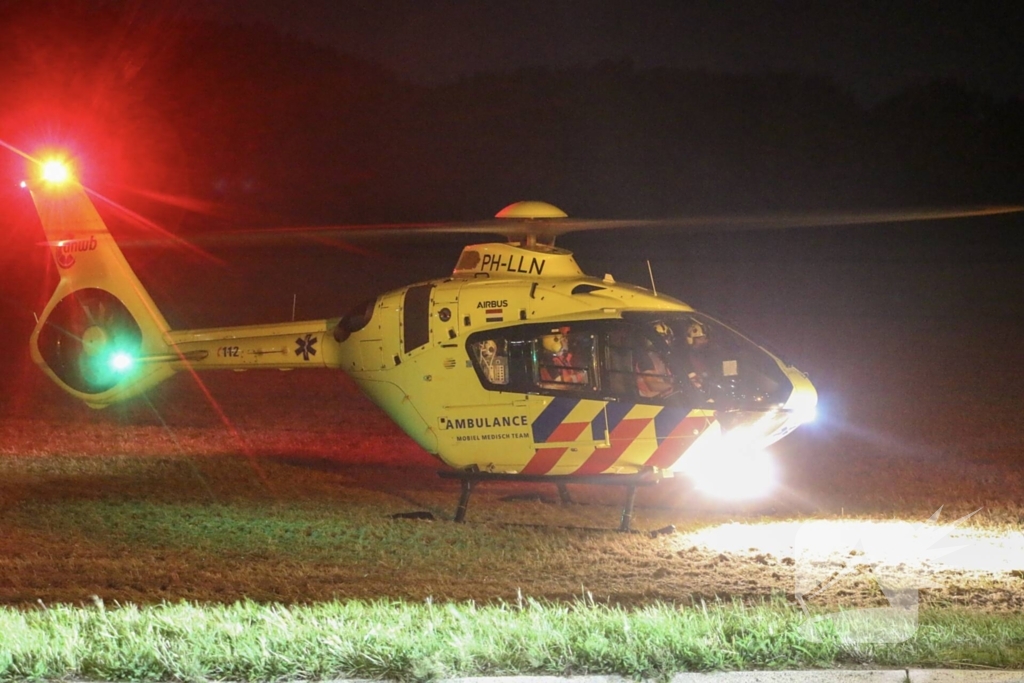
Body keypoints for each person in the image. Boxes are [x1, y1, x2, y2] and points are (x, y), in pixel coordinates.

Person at [684, 320, 711, 390]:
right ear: (691, 339)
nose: (704, 341)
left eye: (705, 338)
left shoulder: (709, 354)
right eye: (700, 338)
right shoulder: (687, 357)